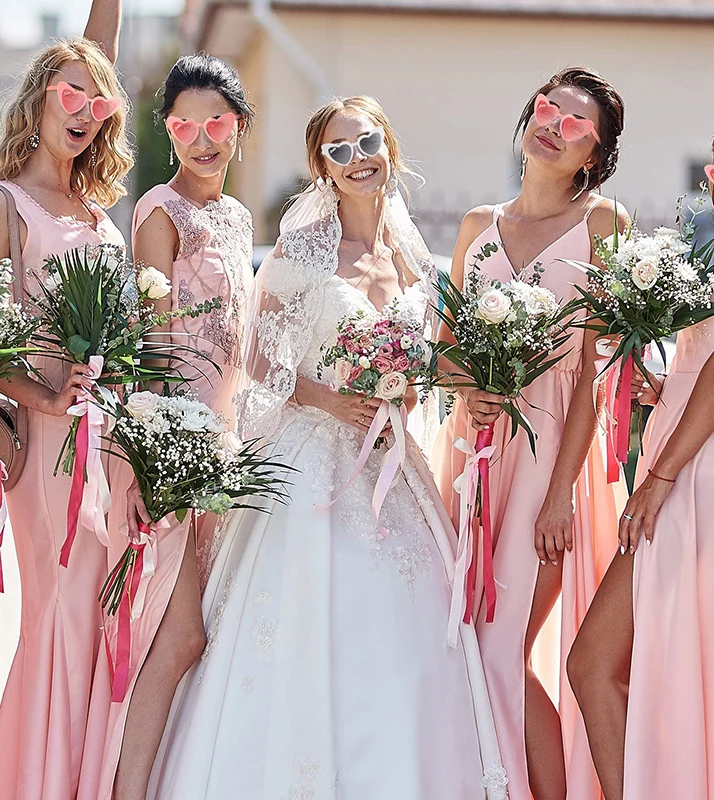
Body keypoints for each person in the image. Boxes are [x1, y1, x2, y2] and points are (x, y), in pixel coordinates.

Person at [147, 95, 507, 799]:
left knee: (408, 632)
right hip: (311, 457)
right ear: (322, 170)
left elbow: (431, 359)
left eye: (365, 142)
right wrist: (323, 398)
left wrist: (424, 390)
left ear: (389, 145)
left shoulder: (413, 260)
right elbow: (256, 355)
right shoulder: (304, 251)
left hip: (389, 464)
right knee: (312, 622)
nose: (356, 160)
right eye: (337, 151)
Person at [568, 107, 714, 800]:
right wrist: (665, 384)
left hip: (705, 465)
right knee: (647, 660)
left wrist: (661, 474)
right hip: (703, 447)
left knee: (594, 663)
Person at [431, 66, 626, 800]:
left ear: (593, 157)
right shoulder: (478, 225)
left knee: (503, 649)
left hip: (549, 458)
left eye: (577, 125)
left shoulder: (604, 225)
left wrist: (560, 495)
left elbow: (594, 376)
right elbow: (446, 347)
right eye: (549, 108)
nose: (555, 125)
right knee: (471, 648)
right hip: (471, 458)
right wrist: (465, 387)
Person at [90, 54, 256, 800]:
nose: (202, 137)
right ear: (168, 132)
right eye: (185, 124)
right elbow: (153, 350)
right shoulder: (159, 210)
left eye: (216, 121)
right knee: (181, 633)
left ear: (240, 128)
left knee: (202, 633)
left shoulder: (239, 216)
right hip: (174, 447)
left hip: (226, 446)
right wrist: (166, 460)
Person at [0, 5, 134, 797]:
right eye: (70, 96)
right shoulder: (8, 201)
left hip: (108, 429)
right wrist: (36, 400)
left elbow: (102, 51)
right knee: (59, 609)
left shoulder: (97, 209)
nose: (85, 113)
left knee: (97, 605)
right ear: (41, 99)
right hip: (46, 438)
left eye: (100, 103)